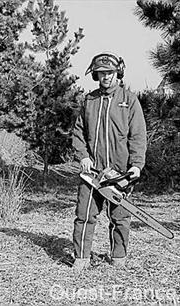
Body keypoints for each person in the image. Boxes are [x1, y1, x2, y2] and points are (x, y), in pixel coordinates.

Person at [72, 52, 147, 270]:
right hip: (92, 171)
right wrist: (83, 156)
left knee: (120, 217)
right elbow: (78, 133)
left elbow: (138, 136)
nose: (106, 77)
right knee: (84, 215)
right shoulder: (90, 100)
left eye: (110, 73)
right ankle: (82, 257)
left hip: (120, 170)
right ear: (96, 75)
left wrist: (136, 165)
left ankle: (118, 258)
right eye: (102, 73)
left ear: (118, 74)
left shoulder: (129, 100)